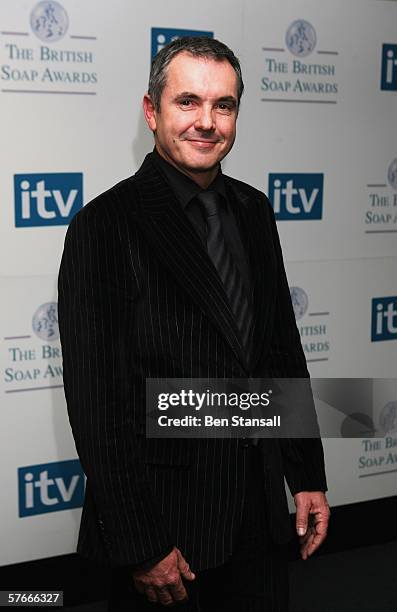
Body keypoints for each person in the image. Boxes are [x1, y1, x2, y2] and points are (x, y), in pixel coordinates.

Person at [58, 36, 330, 611]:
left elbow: (280, 348)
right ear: (152, 112)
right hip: (168, 529)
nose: (207, 122)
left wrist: (306, 474)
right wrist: (142, 544)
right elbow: (98, 401)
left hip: (258, 516)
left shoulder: (255, 210)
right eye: (188, 102)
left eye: (224, 106)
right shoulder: (104, 225)